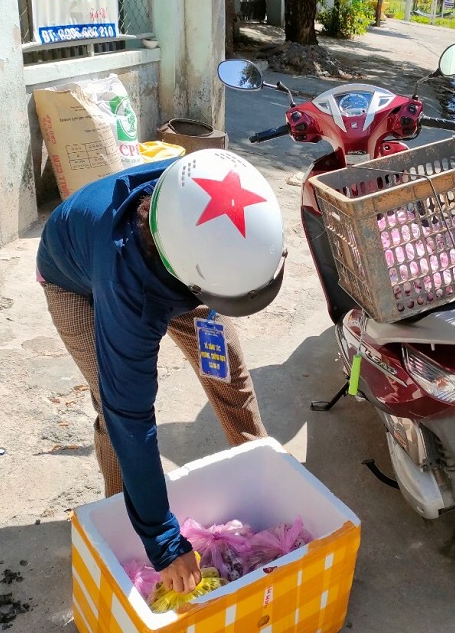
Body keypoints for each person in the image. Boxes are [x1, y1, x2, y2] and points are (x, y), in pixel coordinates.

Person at [36, 149, 286, 591]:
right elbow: (131, 417)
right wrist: (164, 540)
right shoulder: (129, 291)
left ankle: (260, 474)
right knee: (111, 407)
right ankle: (119, 520)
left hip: (178, 267)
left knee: (227, 371)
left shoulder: (197, 194)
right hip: (72, 280)